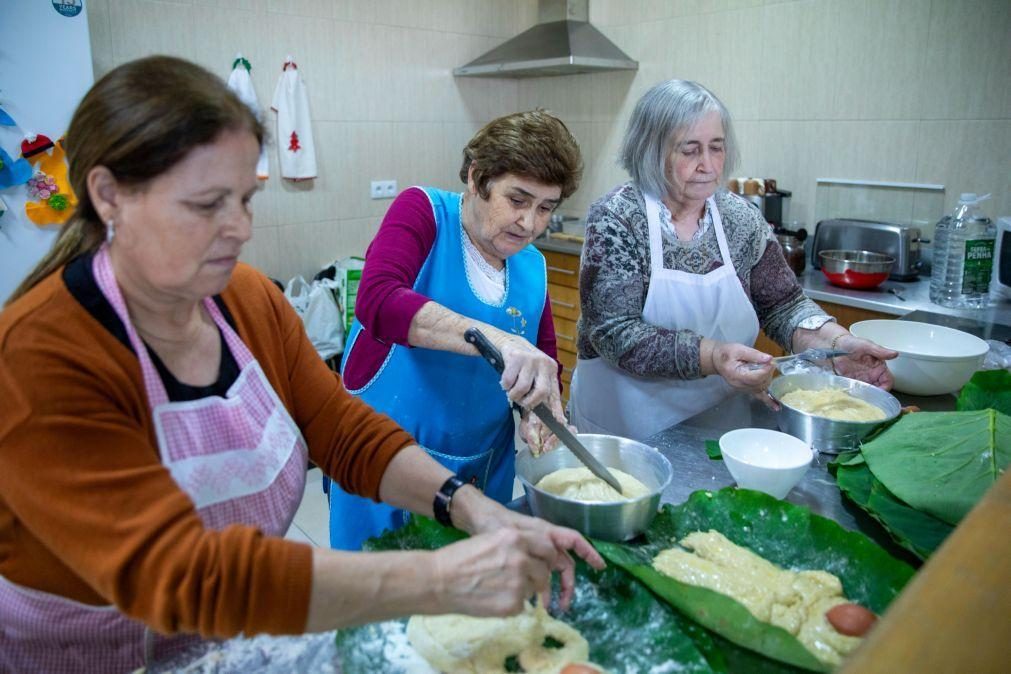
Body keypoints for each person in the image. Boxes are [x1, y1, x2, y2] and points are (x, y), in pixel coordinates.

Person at [0, 56, 604, 673]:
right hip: (87, 656)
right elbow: (182, 574)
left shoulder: (247, 300)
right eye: (208, 204)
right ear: (108, 196)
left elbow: (341, 429)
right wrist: (436, 576)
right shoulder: (40, 354)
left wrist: (469, 507)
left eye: (244, 198)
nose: (241, 228)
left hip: (232, 638)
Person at [569, 80, 897, 441]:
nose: (707, 165)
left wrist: (836, 345)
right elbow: (614, 333)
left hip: (717, 419)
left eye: (716, 148)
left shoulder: (740, 218)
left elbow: (783, 305)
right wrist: (713, 357)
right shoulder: (618, 218)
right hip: (626, 426)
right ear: (651, 151)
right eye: (689, 150)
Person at [331, 110, 583, 550]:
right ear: (476, 177)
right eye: (518, 200)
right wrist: (495, 338)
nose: (530, 224)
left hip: (482, 468)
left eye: (546, 208)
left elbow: (542, 361)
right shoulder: (423, 213)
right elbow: (378, 300)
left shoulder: (533, 267)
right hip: (386, 456)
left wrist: (540, 414)